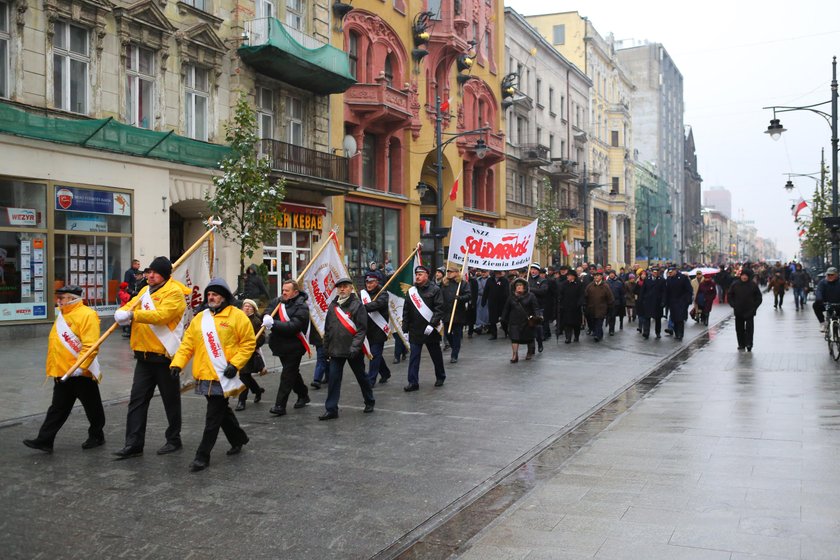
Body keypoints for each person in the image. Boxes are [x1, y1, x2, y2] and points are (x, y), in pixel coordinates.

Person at [170, 278, 254, 472]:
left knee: (213, 417)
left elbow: (248, 343)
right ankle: (239, 438)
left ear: (224, 297)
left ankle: (202, 455)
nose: (211, 297)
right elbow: (187, 344)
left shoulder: (237, 316)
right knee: (221, 411)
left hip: (224, 374)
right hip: (204, 374)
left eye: (215, 294)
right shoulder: (200, 318)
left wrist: (235, 364)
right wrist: (177, 364)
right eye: (209, 294)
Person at [112, 256, 187, 459]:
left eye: (154, 272)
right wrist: (123, 311)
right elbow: (132, 306)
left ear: (164, 275)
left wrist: (134, 316)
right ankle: (133, 443)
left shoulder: (175, 293)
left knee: (170, 401)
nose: (150, 275)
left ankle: (174, 439)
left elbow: (162, 316)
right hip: (143, 356)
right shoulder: (145, 291)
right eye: (149, 272)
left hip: (164, 356)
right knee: (136, 401)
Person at [23, 285, 105, 453]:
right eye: (58, 297)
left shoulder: (87, 315)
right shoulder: (63, 314)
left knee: (92, 406)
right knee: (58, 408)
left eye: (62, 297)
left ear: (73, 298)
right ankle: (45, 440)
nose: (58, 301)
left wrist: (80, 367)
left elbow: (91, 345)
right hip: (62, 372)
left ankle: (97, 435)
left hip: (80, 373)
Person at [321, 277, 375, 420]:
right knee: (333, 380)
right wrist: (326, 348)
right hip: (336, 349)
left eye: (345, 286)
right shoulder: (333, 306)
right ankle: (331, 409)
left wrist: (355, 348)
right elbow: (328, 329)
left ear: (351, 288)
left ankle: (369, 400)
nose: (342, 289)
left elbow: (361, 330)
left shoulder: (357, 306)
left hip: (352, 351)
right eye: (339, 287)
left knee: (362, 377)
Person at [263, 280, 311, 416]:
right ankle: (303, 394)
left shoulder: (301, 307)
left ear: (295, 292)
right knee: (292, 373)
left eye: (287, 290)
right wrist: (266, 316)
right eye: (283, 290)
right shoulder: (278, 301)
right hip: (279, 345)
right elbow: (268, 310)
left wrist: (273, 323)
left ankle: (280, 405)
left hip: (294, 347)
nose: (283, 292)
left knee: (287, 375)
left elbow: (293, 327)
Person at [402, 265, 446, 391]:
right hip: (415, 330)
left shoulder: (435, 290)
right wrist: (405, 330)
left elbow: (439, 309)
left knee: (436, 356)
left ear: (427, 275)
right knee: (414, 357)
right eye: (416, 274)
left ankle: (440, 376)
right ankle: (413, 382)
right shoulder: (411, 292)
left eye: (420, 274)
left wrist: (432, 325)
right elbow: (406, 311)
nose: (417, 276)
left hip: (430, 330)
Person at [235, 299, 266, 411]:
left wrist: (252, 344)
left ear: (254, 309)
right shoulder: (238, 320)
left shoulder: (256, 321)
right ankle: (257, 390)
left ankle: (241, 401)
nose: (247, 308)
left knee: (244, 376)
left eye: (249, 307)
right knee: (245, 375)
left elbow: (261, 338)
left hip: (250, 352)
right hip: (238, 351)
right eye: (245, 306)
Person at [360, 273, 391, 386]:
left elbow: (377, 304)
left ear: (377, 282)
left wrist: (362, 307)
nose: (369, 284)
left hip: (379, 329)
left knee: (374, 354)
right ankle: (385, 372)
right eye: (367, 282)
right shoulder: (362, 294)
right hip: (366, 329)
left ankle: (371, 380)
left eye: (371, 282)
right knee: (375, 354)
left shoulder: (383, 294)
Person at [501, 277, 540, 361]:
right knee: (514, 338)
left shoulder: (531, 296)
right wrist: (503, 319)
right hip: (514, 320)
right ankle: (515, 355)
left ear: (524, 287)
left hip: (527, 321)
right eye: (517, 285)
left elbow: (536, 308)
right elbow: (506, 308)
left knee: (529, 338)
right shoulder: (511, 297)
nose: (518, 287)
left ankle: (529, 352)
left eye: (520, 285)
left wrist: (537, 316)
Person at [441, 265, 471, 363]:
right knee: (447, 334)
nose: (448, 273)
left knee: (457, 334)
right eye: (448, 271)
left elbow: (469, 295)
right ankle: (455, 347)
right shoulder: (444, 284)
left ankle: (454, 354)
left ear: (456, 273)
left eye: (451, 271)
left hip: (458, 313)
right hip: (446, 312)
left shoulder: (462, 284)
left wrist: (460, 298)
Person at [728, 268, 763, 351]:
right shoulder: (735, 284)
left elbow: (759, 298)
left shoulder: (753, 285)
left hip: (749, 311)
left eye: (746, 276)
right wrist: (733, 305)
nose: (744, 277)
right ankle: (741, 344)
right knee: (739, 329)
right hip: (738, 310)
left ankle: (749, 343)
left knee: (749, 329)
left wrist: (754, 306)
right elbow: (730, 295)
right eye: (743, 275)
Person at [583, 271, 613, 342]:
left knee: (599, 322)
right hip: (591, 308)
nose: (596, 277)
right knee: (593, 322)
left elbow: (610, 298)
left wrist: (610, 307)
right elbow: (585, 296)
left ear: (601, 277)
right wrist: (585, 304)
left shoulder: (605, 286)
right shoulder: (590, 286)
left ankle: (597, 335)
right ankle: (599, 333)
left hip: (601, 308)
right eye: (595, 276)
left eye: (598, 275)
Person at [663, 268, 693, 341]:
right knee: (674, 318)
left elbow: (689, 290)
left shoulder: (683, 278)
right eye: (669, 272)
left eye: (671, 272)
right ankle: (676, 333)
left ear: (675, 271)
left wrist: (687, 300)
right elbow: (666, 291)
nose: (670, 273)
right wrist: (665, 301)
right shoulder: (669, 279)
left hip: (681, 302)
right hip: (672, 302)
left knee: (680, 319)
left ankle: (680, 334)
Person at [556, 269, 584, 343]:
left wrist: (580, 303)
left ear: (573, 277)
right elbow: (560, 294)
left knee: (576, 324)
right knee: (567, 323)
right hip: (566, 307)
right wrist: (560, 301)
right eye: (567, 275)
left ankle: (576, 336)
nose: (568, 277)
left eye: (569, 276)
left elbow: (582, 295)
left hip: (576, 308)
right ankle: (568, 338)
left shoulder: (579, 284)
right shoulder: (564, 284)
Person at [639, 267, 665, 339]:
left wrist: (663, 301)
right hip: (648, 302)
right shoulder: (647, 280)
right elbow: (642, 291)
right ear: (651, 273)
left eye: (656, 272)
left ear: (658, 273)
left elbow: (664, 292)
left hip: (657, 303)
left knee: (658, 319)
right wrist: (641, 300)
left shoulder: (662, 280)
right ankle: (646, 332)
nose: (655, 273)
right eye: (654, 272)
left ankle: (658, 332)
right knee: (647, 318)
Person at [527, 263, 548, 352]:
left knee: (538, 327)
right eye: (531, 269)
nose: (533, 271)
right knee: (529, 327)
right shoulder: (527, 280)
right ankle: (531, 347)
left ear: (538, 271)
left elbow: (543, 291)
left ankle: (540, 343)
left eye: (535, 269)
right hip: (528, 307)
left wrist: (530, 289)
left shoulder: (543, 280)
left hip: (538, 307)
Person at [482, 270, 509, 340]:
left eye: (499, 272)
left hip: (502, 303)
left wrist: (508, 302)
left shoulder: (504, 280)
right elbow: (486, 291)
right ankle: (494, 334)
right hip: (492, 303)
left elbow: (507, 292)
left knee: (504, 319)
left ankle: (506, 331)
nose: (498, 274)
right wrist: (483, 301)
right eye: (496, 272)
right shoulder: (489, 280)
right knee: (492, 319)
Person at [813, 267, 840, 332]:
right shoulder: (823, 282)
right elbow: (819, 291)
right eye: (828, 275)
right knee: (815, 305)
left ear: (836, 275)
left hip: (838, 304)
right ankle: (823, 324)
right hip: (826, 304)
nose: (830, 276)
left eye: (832, 275)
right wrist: (819, 299)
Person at [605, 270, 626, 335]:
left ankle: (611, 330)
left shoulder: (619, 283)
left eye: (613, 274)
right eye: (610, 274)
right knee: (608, 315)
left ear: (615, 275)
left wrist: (623, 303)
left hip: (616, 302)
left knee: (613, 316)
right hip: (607, 302)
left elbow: (622, 294)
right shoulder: (606, 283)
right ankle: (608, 324)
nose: (611, 275)